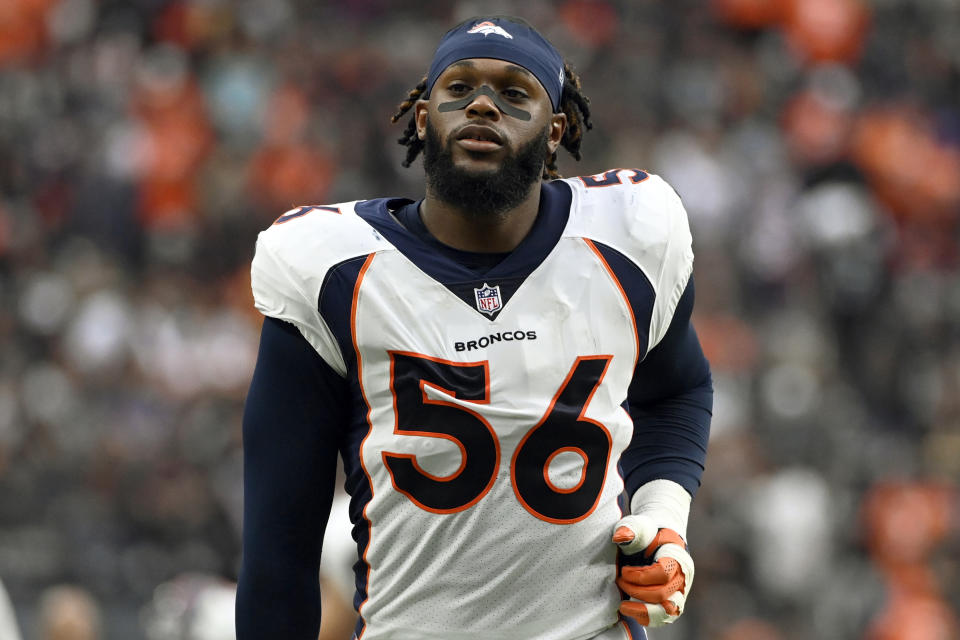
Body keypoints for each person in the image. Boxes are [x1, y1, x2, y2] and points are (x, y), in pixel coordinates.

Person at [236, 15, 712, 640]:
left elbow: (678, 388)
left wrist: (662, 519)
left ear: (556, 132)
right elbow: (278, 550)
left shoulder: (628, 237)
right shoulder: (331, 270)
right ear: (425, 117)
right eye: (457, 88)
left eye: (515, 94)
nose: (482, 105)